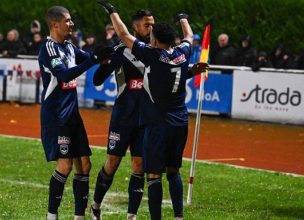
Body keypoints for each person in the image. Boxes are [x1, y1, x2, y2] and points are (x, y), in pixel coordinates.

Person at [98, 2, 208, 219]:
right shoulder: (183, 53)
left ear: (155, 40)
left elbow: (123, 34)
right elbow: (190, 36)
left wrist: (112, 11)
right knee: (174, 171)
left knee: (154, 176)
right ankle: (178, 216)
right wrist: (183, 17)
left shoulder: (152, 55)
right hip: (180, 122)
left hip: (158, 124)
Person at [38, 5, 113, 220]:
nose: (71, 24)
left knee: (85, 165)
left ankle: (79, 217)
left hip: (72, 115)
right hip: (56, 116)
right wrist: (94, 60)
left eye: (71, 20)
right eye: (68, 21)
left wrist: (106, 51)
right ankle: (51, 216)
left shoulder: (69, 47)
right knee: (65, 165)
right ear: (55, 24)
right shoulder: (48, 48)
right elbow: (64, 75)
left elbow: (87, 57)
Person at [89, 9, 154, 220]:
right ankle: (96, 205)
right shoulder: (121, 49)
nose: (151, 28)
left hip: (145, 118)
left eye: (152, 24)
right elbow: (97, 80)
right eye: (147, 25)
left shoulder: (157, 48)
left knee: (139, 165)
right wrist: (104, 62)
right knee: (113, 162)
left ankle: (131, 216)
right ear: (134, 27)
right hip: (123, 116)